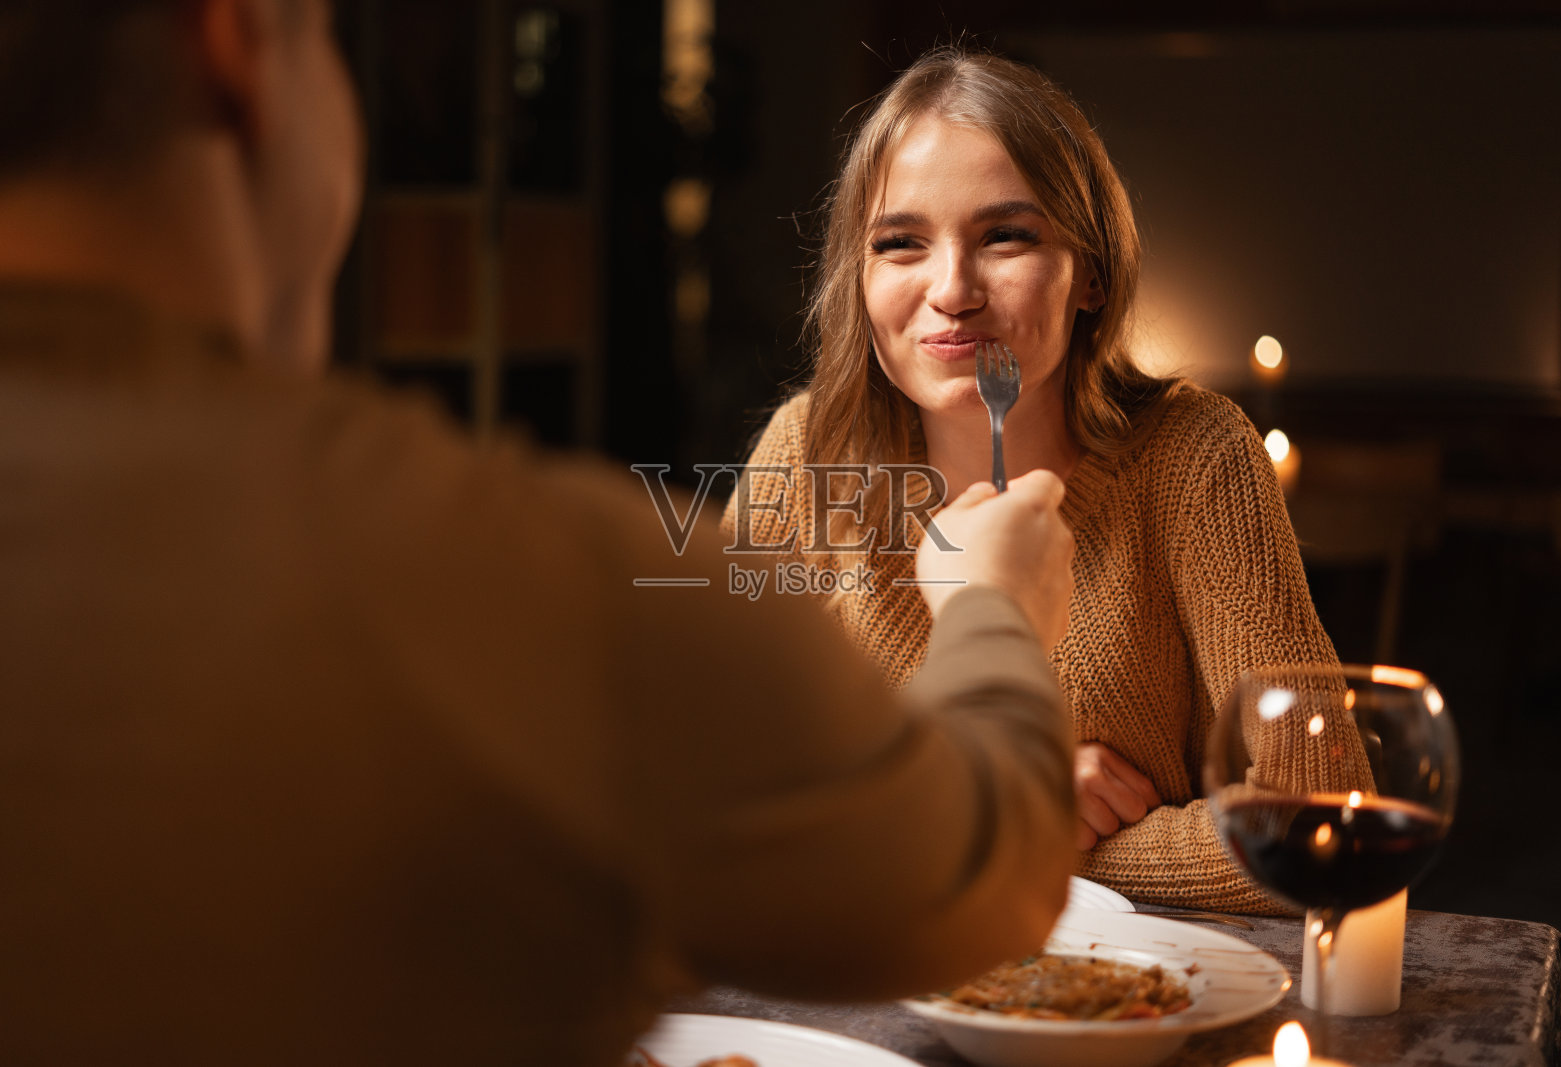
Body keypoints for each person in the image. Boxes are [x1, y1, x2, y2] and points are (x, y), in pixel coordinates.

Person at [0, 5, 1084, 1064]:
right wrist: (994, 611)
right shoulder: (554, 589)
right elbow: (967, 876)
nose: (951, 286)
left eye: (1004, 235)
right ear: (232, 40)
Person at [726, 47, 1343, 915]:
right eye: (900, 243)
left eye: (1005, 235)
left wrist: (1062, 845)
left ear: (1091, 271)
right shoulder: (803, 457)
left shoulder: (1195, 456)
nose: (951, 290)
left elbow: (1319, 827)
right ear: (858, 277)